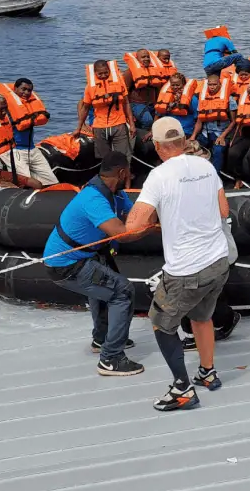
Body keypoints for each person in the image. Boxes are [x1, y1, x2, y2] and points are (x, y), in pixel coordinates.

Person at [126, 117, 232, 412]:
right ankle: (208, 373)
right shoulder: (206, 166)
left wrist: (153, 222)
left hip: (186, 269)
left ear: (158, 147)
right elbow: (223, 210)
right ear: (184, 142)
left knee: (161, 323)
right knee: (201, 317)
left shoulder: (158, 177)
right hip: (218, 261)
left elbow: (132, 228)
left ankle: (182, 389)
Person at [44, 153, 144, 377]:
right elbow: (122, 232)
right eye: (129, 173)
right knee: (122, 292)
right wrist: (151, 229)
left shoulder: (116, 194)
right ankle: (111, 358)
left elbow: (133, 213)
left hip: (84, 257)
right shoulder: (94, 198)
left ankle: (101, 339)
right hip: (66, 265)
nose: (131, 177)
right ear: (121, 173)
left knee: (105, 288)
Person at [0, 78, 57, 186]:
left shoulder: (28, 107)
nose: (26, 93)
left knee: (52, 181)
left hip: (31, 149)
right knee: (25, 183)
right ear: (15, 89)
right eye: (23, 89)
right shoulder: (4, 109)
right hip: (14, 151)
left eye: (29, 90)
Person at [77, 59, 136, 158]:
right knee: (104, 158)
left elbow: (126, 103)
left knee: (122, 156)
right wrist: (79, 128)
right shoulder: (90, 87)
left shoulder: (119, 83)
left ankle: (123, 172)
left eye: (106, 73)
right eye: (100, 74)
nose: (104, 76)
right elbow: (85, 108)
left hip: (119, 125)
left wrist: (132, 124)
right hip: (99, 126)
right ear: (95, 73)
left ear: (109, 71)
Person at [191, 72, 237, 175]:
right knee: (191, 149)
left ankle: (215, 176)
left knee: (218, 151)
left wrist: (222, 136)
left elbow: (234, 121)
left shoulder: (229, 100)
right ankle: (195, 174)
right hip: (205, 133)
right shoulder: (202, 99)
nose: (212, 87)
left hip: (221, 133)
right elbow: (199, 120)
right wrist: (193, 136)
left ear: (219, 84)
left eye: (214, 84)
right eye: (210, 84)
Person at [123, 49, 167, 131]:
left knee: (160, 120)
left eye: (148, 57)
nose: (146, 59)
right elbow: (124, 93)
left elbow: (158, 90)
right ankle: (143, 137)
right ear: (137, 59)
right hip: (136, 104)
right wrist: (127, 113)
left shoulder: (156, 71)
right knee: (148, 121)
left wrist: (159, 104)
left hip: (152, 103)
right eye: (143, 57)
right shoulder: (129, 73)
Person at [155, 72, 199, 137]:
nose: (175, 87)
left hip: (185, 131)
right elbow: (157, 115)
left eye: (178, 85)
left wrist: (193, 136)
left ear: (183, 85)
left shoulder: (192, 99)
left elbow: (198, 119)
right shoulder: (165, 97)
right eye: (173, 85)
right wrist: (152, 131)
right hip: (168, 131)